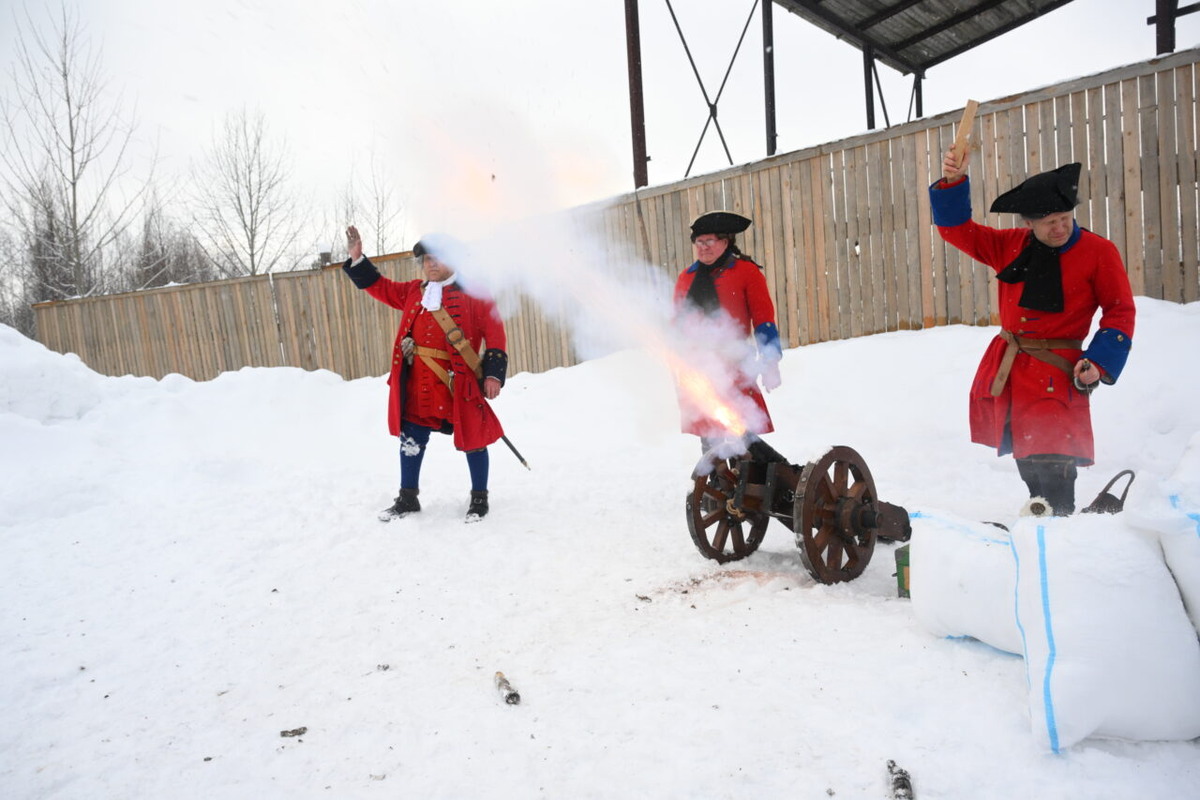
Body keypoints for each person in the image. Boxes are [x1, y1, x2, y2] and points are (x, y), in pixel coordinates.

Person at [929, 152, 1135, 516]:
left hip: (1060, 370)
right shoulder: (1010, 245)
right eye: (1049, 222)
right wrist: (952, 182)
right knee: (1026, 453)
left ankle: (1059, 522)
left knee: (1056, 458)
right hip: (1012, 368)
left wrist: (1099, 362)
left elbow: (1119, 311)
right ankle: (1043, 520)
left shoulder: (1099, 252)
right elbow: (956, 230)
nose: (1060, 228)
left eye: (1065, 219)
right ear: (1029, 223)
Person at [341, 225, 509, 523]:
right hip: (420, 384)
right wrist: (358, 258)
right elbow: (380, 286)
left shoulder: (476, 294)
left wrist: (493, 375)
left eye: (438, 258)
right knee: (411, 439)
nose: (431, 264)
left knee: (474, 439)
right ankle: (408, 498)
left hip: (459, 384)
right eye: (427, 259)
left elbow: (495, 335)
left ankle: (479, 499)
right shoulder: (413, 292)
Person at [672, 211, 783, 452]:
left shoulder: (747, 272)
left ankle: (752, 484)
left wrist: (770, 361)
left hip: (736, 366)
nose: (703, 248)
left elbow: (763, 320)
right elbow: (678, 326)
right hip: (700, 368)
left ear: (725, 241)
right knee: (710, 436)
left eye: (709, 241)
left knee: (744, 432)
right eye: (699, 242)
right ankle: (717, 484)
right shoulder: (686, 277)